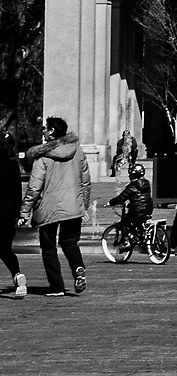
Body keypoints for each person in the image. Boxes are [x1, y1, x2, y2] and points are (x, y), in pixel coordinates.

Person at [27, 117, 90, 295]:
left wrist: (25, 211)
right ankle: (78, 268)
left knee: (48, 248)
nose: (43, 132)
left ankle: (57, 287)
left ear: (52, 131)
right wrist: (83, 205)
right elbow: (86, 182)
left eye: (45, 129)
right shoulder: (78, 151)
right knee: (69, 242)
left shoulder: (42, 156)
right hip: (72, 205)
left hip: (48, 207)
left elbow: (34, 187)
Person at [2, 119, 26, 299]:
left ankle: (18, 276)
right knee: (5, 248)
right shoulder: (12, 166)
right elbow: (17, 193)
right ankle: (17, 275)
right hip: (6, 215)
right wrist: (18, 214)